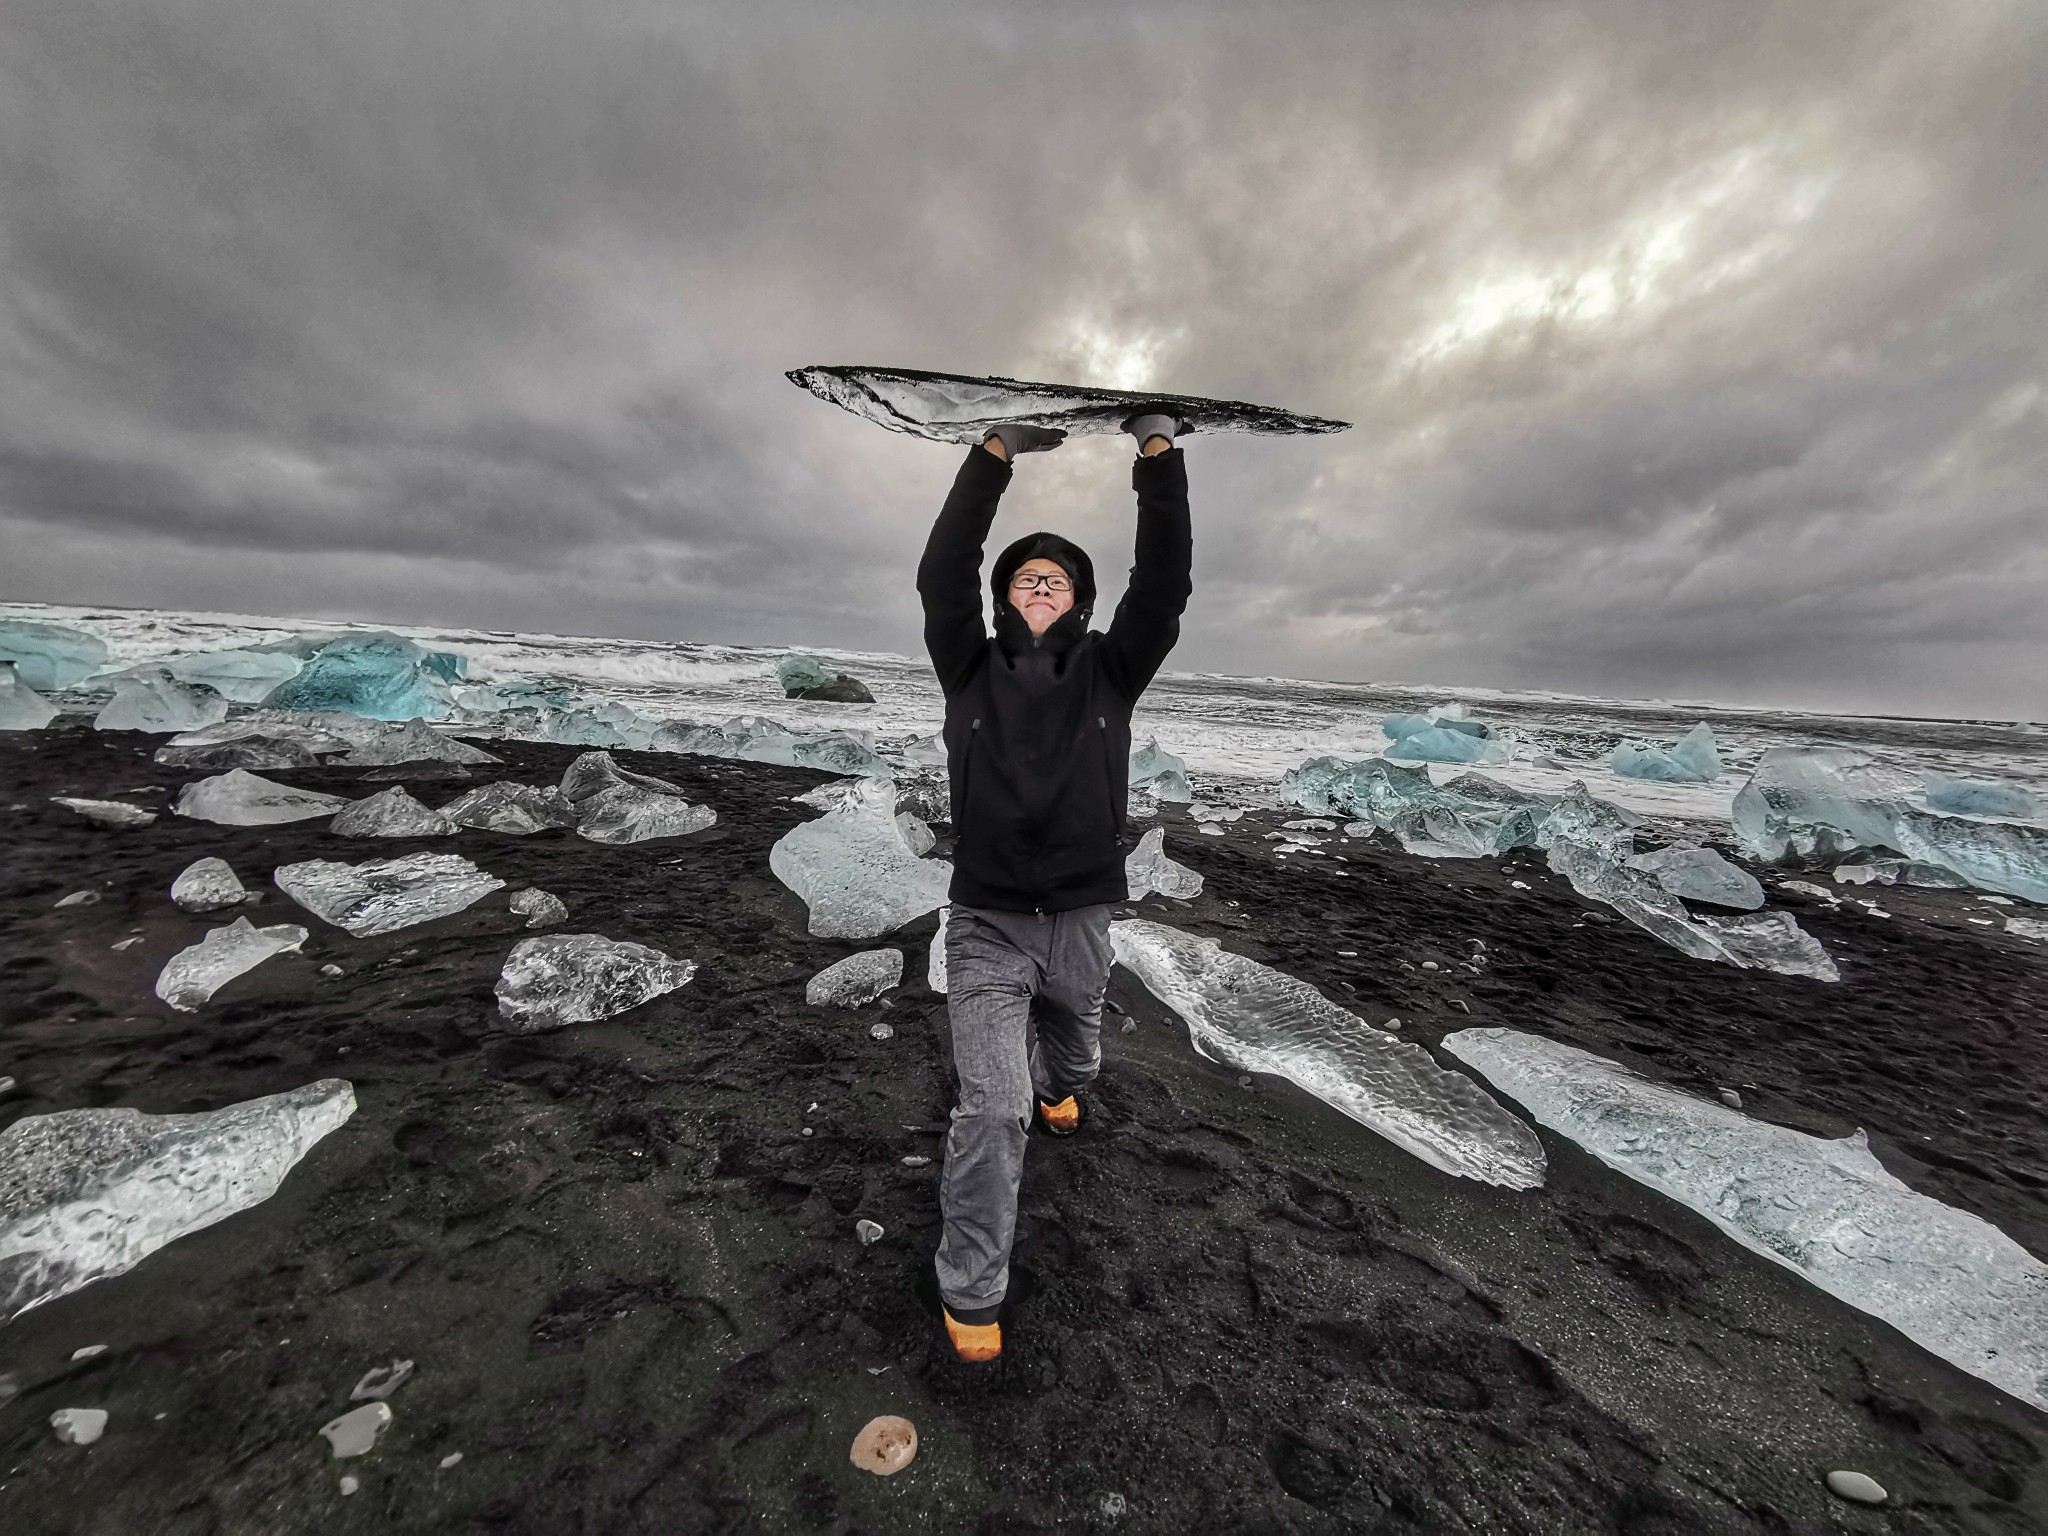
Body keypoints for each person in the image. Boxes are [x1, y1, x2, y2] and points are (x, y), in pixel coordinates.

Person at [916, 408, 1192, 1364]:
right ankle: (972, 1287)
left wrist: (1156, 457)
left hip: (1079, 915)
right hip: (986, 923)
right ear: (1006, 595)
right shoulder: (967, 668)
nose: (1042, 584)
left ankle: (1067, 1082)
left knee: (1071, 1054)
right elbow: (940, 571)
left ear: (1077, 598)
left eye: (1059, 577)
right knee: (994, 1106)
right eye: (1027, 575)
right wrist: (993, 458)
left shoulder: (1113, 672)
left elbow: (1163, 588)